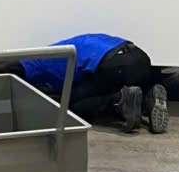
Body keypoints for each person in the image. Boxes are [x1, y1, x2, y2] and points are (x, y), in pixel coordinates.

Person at [14, 33, 168, 134]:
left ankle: (120, 100)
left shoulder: (32, 64)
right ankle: (149, 94)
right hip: (140, 58)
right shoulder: (55, 52)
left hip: (115, 64)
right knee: (101, 84)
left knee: (71, 107)